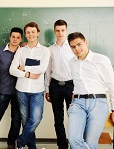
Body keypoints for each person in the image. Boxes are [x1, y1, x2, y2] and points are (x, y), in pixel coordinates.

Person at [67, 32, 114, 149]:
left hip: (98, 103)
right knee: (73, 139)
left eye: (79, 44)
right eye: (73, 46)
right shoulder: (71, 62)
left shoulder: (101, 59)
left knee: (90, 142)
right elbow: (77, 81)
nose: (77, 48)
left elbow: (112, 84)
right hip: (78, 103)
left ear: (86, 42)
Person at [9, 22, 50, 149]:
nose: (30, 34)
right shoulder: (21, 50)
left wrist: (24, 67)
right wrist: (27, 74)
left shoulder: (45, 50)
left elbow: (42, 68)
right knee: (25, 121)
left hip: (37, 90)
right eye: (28, 32)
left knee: (36, 119)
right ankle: (32, 147)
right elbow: (12, 70)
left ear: (38, 33)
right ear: (25, 35)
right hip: (21, 90)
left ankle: (20, 142)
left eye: (33, 32)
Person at [44, 20, 74, 149]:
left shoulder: (73, 48)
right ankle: (62, 146)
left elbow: (78, 70)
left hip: (71, 86)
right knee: (58, 119)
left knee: (73, 118)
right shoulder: (50, 50)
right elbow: (48, 71)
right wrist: (47, 89)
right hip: (55, 86)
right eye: (58, 30)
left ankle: (75, 144)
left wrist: (76, 90)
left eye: (62, 30)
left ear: (66, 30)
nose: (60, 33)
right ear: (54, 31)